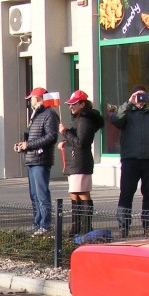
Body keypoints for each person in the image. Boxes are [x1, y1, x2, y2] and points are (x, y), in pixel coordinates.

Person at [108, 84, 149, 237]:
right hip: (130, 160)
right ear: (132, 97)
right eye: (138, 96)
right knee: (126, 194)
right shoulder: (126, 112)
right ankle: (123, 228)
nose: (141, 99)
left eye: (144, 96)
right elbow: (116, 120)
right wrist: (129, 103)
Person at [58, 90, 104, 238]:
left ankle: (85, 226)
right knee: (74, 193)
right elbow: (76, 140)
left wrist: (65, 132)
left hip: (80, 162)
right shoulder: (79, 118)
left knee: (82, 193)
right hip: (74, 162)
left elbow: (82, 143)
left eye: (74, 104)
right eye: (70, 104)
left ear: (82, 104)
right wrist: (66, 141)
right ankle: (76, 226)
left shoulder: (85, 119)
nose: (71, 107)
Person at [14, 86, 59, 236]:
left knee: (41, 193)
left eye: (31, 98)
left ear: (38, 98)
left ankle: (45, 225)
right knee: (34, 194)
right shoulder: (36, 115)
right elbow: (34, 137)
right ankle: (37, 221)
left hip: (41, 159)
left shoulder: (49, 114)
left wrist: (29, 145)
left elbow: (51, 136)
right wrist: (23, 145)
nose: (30, 101)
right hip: (32, 158)